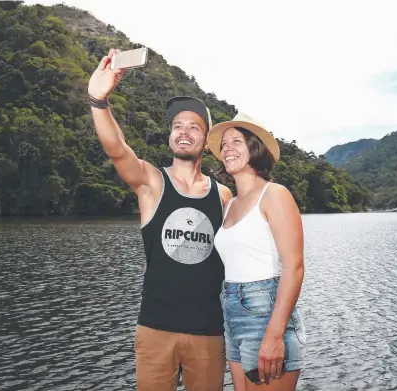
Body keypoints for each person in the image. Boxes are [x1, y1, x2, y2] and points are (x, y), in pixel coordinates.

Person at [88, 48, 233, 391]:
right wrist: (98, 100)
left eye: (194, 127)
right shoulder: (152, 183)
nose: (184, 132)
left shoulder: (223, 196)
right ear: (170, 136)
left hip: (208, 332)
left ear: (206, 138)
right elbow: (117, 149)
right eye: (177, 126)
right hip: (155, 329)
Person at [207, 112, 307, 390]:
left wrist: (275, 335)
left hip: (266, 312)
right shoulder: (230, 205)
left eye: (236, 141)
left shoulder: (275, 194)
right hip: (231, 311)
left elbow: (295, 267)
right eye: (224, 144)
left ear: (255, 149)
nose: (227, 148)